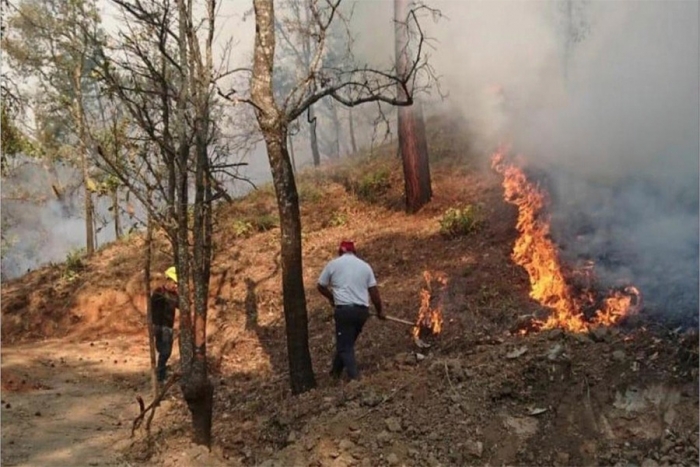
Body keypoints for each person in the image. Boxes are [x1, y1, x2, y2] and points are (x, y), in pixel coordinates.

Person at [317, 240, 385, 381]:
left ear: (340, 252)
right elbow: (374, 293)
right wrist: (380, 311)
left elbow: (320, 285)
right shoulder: (365, 266)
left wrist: (332, 298)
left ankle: (356, 379)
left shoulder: (333, 264)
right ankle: (334, 373)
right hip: (362, 313)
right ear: (354, 252)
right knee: (346, 342)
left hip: (345, 311)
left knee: (345, 346)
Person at [150, 266, 179, 383]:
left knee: (166, 353)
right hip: (159, 327)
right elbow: (153, 307)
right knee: (164, 351)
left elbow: (180, 305)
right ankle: (160, 376)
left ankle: (160, 372)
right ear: (168, 280)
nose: (176, 285)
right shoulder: (159, 292)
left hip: (168, 327)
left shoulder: (174, 295)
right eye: (174, 282)